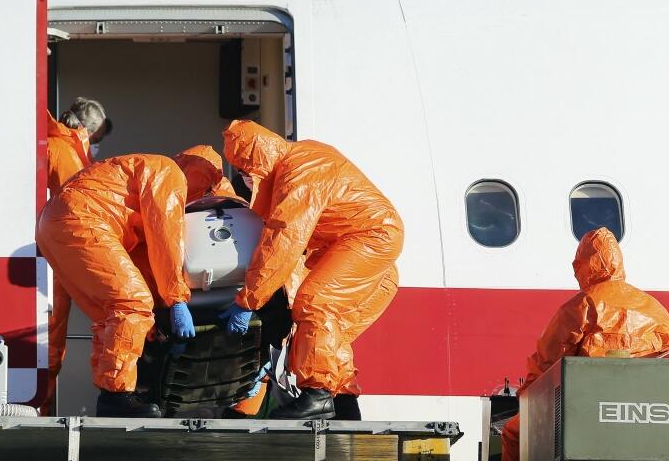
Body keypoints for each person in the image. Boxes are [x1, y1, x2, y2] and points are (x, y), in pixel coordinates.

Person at [219, 120, 404, 419]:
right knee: (330, 328)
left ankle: (318, 396)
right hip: (363, 242)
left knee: (316, 302)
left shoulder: (299, 171)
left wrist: (248, 301)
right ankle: (344, 405)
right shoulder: (302, 159)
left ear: (259, 159)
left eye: (245, 169)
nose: (245, 178)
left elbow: (284, 239)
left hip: (368, 238)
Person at [499, 227, 669, 461]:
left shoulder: (581, 306)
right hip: (642, 413)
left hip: (584, 412)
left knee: (512, 433)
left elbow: (546, 365)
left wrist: (526, 400)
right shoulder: (657, 310)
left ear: (584, 266)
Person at [36, 155, 194, 417]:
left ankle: (111, 394)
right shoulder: (169, 175)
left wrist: (158, 310)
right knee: (132, 303)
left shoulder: (142, 170)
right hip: (83, 220)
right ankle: (116, 395)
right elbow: (165, 238)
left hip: (57, 223)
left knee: (112, 314)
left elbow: (144, 258)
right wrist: (176, 299)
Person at [43, 98, 112, 414]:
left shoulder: (59, 147)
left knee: (50, 340)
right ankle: (39, 409)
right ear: (88, 131)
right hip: (54, 257)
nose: (97, 146)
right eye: (98, 139)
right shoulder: (65, 152)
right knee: (49, 341)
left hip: (52, 255)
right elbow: (73, 210)